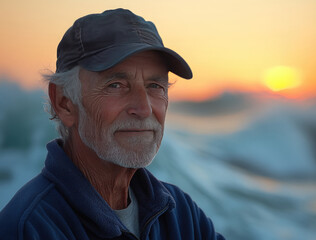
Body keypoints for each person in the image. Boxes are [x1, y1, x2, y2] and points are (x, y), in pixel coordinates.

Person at [0, 8, 225, 240]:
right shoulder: (29, 229)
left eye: (155, 86)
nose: (144, 109)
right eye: (116, 85)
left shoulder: (181, 214)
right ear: (64, 103)